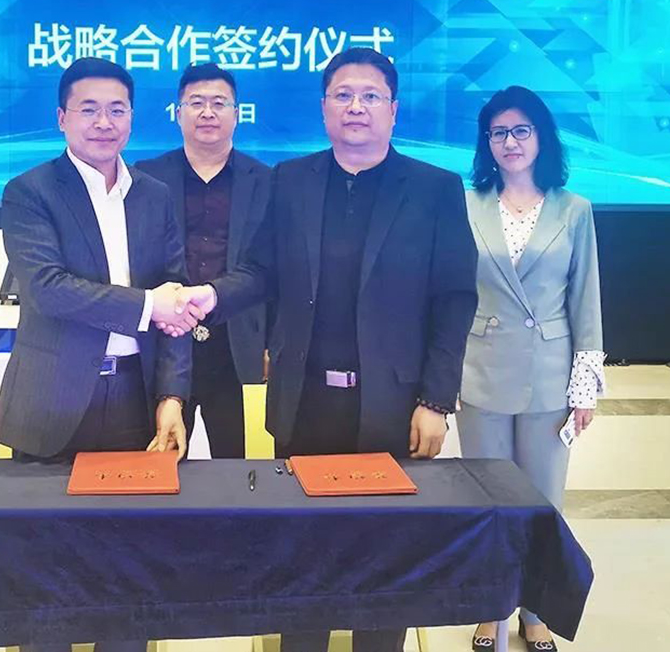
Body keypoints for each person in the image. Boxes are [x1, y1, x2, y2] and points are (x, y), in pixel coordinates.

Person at [171, 47, 478, 652]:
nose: (355, 107)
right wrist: (212, 295)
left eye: (370, 96)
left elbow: (454, 299)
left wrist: (437, 400)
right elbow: (260, 271)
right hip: (304, 400)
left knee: (383, 557)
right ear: (324, 108)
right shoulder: (292, 181)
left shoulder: (435, 189)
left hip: (392, 406)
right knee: (302, 552)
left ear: (393, 110)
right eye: (343, 95)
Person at [0, 56, 195, 651]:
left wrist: (172, 396)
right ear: (62, 117)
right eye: (89, 109)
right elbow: (48, 289)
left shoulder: (155, 196)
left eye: (117, 109)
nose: (104, 122)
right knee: (46, 568)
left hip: (133, 397)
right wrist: (147, 305)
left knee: (129, 566)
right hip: (53, 401)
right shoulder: (30, 192)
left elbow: (177, 301)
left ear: (132, 117)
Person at [459, 86, 604, 652]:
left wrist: (584, 387)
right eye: (498, 132)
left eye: (521, 130)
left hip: (549, 371)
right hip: (480, 367)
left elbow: (585, 300)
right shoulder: (466, 203)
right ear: (486, 142)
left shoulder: (574, 209)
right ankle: (490, 609)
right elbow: (449, 292)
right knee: (487, 500)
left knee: (543, 502)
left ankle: (536, 611)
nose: (510, 142)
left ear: (541, 136)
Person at [136, 63, 271, 458]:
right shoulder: (145, 178)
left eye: (219, 103)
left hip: (238, 343)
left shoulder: (267, 180)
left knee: (239, 465)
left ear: (237, 113)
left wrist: (272, 344)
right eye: (196, 103)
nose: (207, 112)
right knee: (161, 460)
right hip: (166, 340)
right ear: (178, 113)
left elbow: (274, 267)